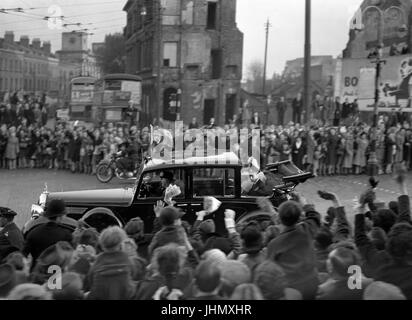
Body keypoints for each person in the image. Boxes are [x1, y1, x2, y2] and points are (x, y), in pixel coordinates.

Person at [266, 199, 321, 300]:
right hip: (312, 284)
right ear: (299, 218)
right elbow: (314, 217)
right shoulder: (306, 229)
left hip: (292, 289)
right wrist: (303, 201)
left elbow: (270, 268)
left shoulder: (274, 244)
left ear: (279, 218)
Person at [23, 199, 74, 265]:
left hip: (37, 271)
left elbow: (24, 255)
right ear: (59, 217)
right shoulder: (66, 235)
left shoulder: (33, 232)